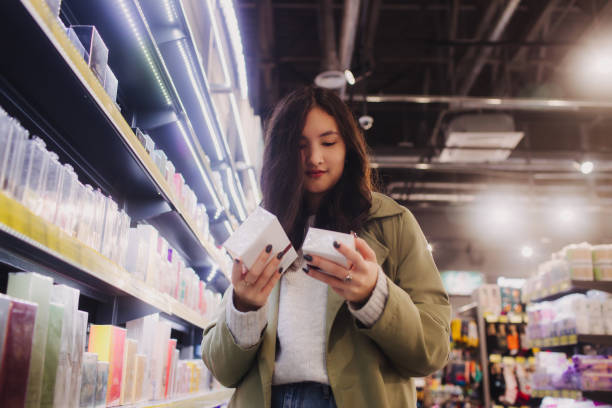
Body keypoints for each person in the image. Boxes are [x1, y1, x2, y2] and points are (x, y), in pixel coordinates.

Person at [201, 86, 450, 408]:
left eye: (329, 142)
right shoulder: (263, 228)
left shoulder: (391, 223)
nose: (315, 158)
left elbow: (432, 351)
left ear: (349, 147)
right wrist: (244, 307)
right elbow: (222, 369)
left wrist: (375, 295)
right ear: (280, 153)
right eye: (299, 146)